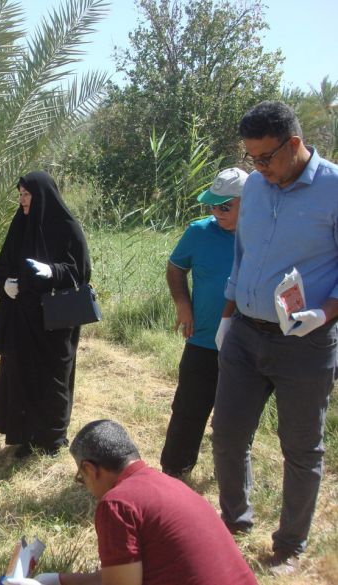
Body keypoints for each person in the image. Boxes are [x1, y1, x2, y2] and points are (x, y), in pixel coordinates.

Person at [211, 100, 338, 575]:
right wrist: (229, 316)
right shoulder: (259, 190)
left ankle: (290, 545)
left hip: (304, 342)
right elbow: (241, 256)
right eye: (252, 159)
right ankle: (233, 521)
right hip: (246, 333)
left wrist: (323, 313)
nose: (259, 169)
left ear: (296, 145)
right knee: (227, 433)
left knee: (301, 448)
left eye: (265, 158)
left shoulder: (334, 189)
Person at [6, 420, 258, 585]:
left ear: (89, 468)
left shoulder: (117, 504)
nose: (87, 488)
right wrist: (56, 580)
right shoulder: (170, 485)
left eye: (81, 478)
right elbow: (119, 576)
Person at [0, 171, 91, 458]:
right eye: (20, 194)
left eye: (26, 195)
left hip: (55, 319)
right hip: (22, 315)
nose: (21, 201)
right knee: (21, 374)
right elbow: (2, 266)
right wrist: (3, 284)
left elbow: (80, 272)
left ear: (41, 195)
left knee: (54, 376)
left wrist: (53, 271)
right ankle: (25, 436)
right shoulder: (19, 224)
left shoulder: (67, 227)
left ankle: (52, 439)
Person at [159, 168, 247, 478]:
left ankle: (232, 478)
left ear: (247, 202)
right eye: (212, 205)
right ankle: (174, 471)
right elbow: (175, 266)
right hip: (203, 340)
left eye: (225, 206)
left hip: (247, 345)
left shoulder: (264, 236)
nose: (216, 212)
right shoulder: (199, 232)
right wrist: (183, 304)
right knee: (187, 410)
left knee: (237, 418)